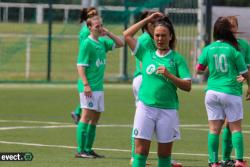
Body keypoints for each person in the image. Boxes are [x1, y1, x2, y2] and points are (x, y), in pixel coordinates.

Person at [124, 12, 192, 167]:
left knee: (164, 155)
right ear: (152, 36)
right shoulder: (146, 53)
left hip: (167, 110)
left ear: (170, 37)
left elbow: (187, 86)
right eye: (157, 35)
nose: (160, 39)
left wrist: (170, 76)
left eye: (163, 35)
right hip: (145, 108)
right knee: (140, 152)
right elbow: (127, 35)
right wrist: (148, 19)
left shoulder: (177, 59)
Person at [196, 17, 248, 167]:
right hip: (230, 91)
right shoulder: (234, 50)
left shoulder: (208, 48)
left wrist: (210, 69)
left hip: (211, 92)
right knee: (236, 128)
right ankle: (239, 160)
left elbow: (198, 71)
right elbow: (244, 72)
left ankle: (214, 162)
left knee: (213, 129)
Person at [75, 15, 124, 158]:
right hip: (88, 87)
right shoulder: (86, 43)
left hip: (98, 87)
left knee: (95, 118)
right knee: (85, 116)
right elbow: (80, 66)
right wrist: (85, 85)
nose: (99, 28)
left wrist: (108, 33)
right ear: (89, 28)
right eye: (96, 26)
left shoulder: (102, 42)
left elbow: (120, 43)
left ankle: (89, 149)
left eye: (101, 25)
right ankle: (81, 150)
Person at [219, 15, 250, 167]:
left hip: (234, 88)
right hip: (224, 89)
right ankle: (231, 159)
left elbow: (248, 67)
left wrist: (248, 82)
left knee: (229, 125)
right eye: (228, 26)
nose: (231, 29)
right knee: (230, 124)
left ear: (237, 28)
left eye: (234, 26)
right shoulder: (221, 45)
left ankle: (226, 159)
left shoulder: (244, 45)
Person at [71, 7, 98, 124]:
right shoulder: (87, 31)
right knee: (88, 91)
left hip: (91, 63)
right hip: (88, 64)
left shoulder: (89, 30)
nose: (96, 17)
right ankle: (79, 114)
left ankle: (78, 113)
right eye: (93, 15)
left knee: (91, 94)